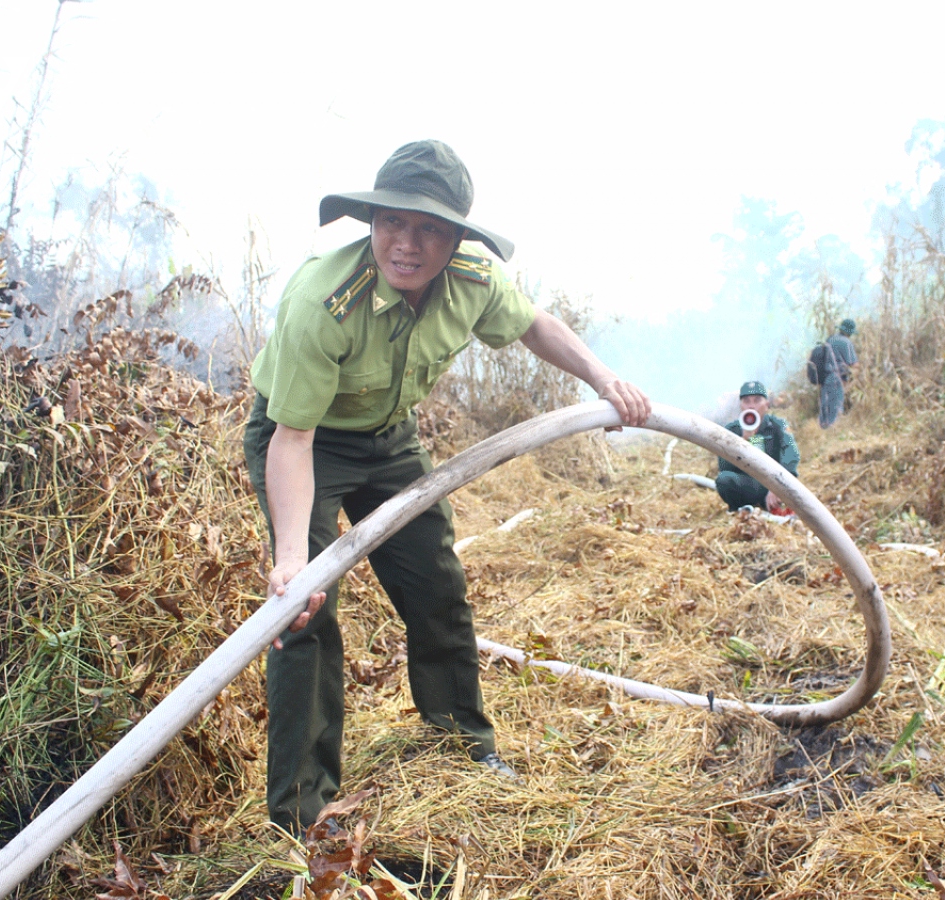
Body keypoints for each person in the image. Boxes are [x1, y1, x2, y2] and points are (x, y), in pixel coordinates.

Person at [243, 140, 650, 835]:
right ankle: (303, 815)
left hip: (390, 440)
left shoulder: (471, 280)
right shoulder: (322, 302)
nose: (407, 244)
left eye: (429, 228)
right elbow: (294, 440)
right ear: (370, 222)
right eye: (393, 223)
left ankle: (464, 746)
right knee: (305, 614)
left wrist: (602, 379)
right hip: (306, 439)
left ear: (457, 237)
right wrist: (291, 560)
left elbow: (536, 326)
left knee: (437, 585)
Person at [715, 381, 799, 512]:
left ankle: (774, 504)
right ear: (741, 405)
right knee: (724, 480)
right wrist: (742, 442)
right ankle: (740, 509)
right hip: (748, 483)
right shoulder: (732, 430)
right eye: (747, 401)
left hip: (774, 482)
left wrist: (778, 487)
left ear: (766, 404)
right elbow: (723, 467)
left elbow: (791, 456)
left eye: (757, 400)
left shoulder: (778, 425)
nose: (752, 406)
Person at [817, 318, 859, 429]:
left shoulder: (830, 339)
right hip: (837, 378)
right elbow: (854, 364)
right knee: (836, 409)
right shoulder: (846, 342)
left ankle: (822, 433)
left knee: (825, 409)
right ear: (849, 332)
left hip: (825, 378)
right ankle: (833, 433)